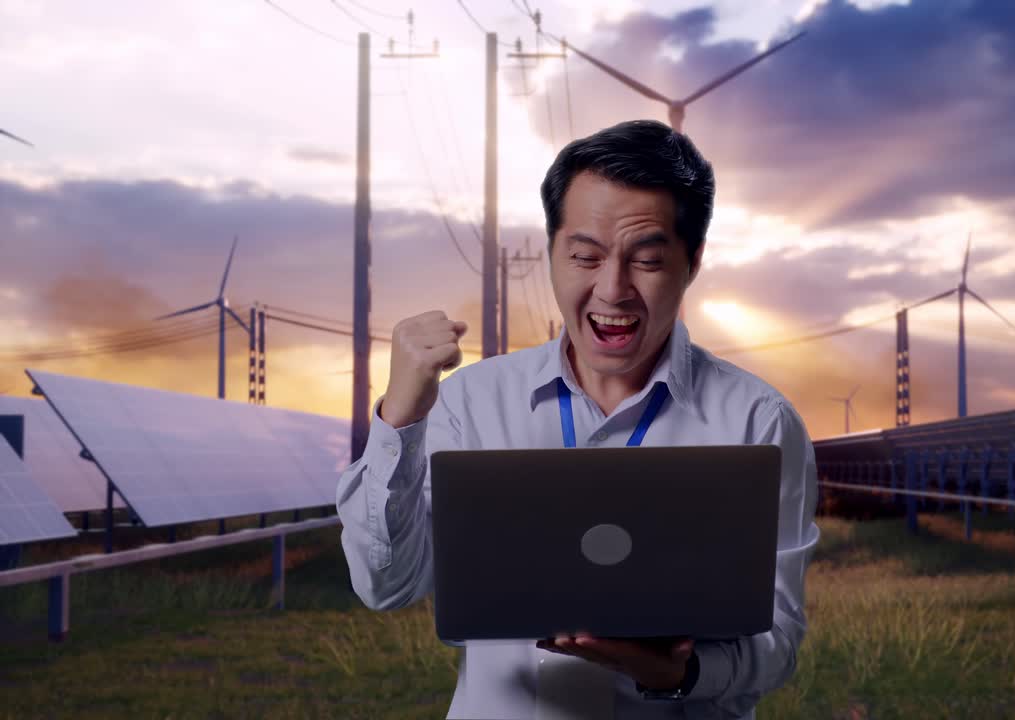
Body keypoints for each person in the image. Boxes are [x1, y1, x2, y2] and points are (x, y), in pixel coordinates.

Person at [336, 119, 820, 719]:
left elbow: (778, 639)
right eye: (585, 256)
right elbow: (386, 586)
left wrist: (679, 673)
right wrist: (399, 418)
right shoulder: (470, 404)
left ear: (692, 262)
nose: (612, 290)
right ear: (552, 253)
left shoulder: (759, 422)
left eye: (646, 260)